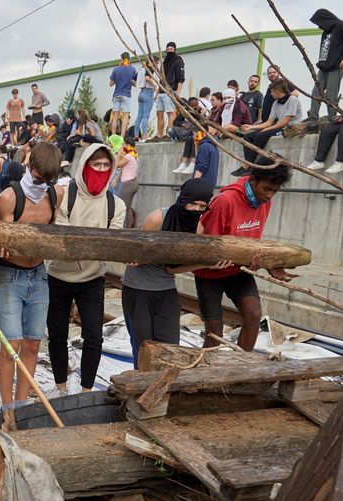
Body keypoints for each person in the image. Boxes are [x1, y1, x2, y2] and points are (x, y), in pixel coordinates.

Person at [0, 142, 64, 427]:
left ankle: (22, 407)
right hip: (11, 276)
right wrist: (0, 247)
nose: (42, 185)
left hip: (39, 275)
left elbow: (52, 232)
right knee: (12, 343)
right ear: (28, 167)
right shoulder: (9, 198)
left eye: (48, 180)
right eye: (38, 179)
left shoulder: (55, 196)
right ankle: (7, 409)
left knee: (33, 343)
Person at [47, 143, 126, 394]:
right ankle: (60, 386)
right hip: (58, 275)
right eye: (96, 164)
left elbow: (112, 245)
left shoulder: (116, 204)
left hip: (92, 279)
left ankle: (86, 390)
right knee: (57, 333)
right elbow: (62, 239)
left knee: (94, 336)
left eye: (106, 165)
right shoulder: (63, 194)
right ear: (84, 165)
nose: (101, 169)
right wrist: (90, 245)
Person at [196, 162, 295, 351]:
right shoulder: (224, 201)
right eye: (266, 189)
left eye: (274, 191)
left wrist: (266, 263)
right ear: (252, 180)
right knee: (214, 333)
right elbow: (210, 247)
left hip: (238, 271)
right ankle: (204, 374)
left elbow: (252, 241)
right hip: (210, 274)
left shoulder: (264, 202)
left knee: (253, 315)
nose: (269, 195)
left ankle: (241, 364)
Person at [122, 179, 220, 365]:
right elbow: (135, 250)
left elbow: (172, 268)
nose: (196, 209)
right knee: (143, 347)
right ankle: (141, 388)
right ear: (183, 199)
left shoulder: (197, 228)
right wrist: (139, 257)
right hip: (137, 289)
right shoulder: (158, 218)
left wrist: (204, 264)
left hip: (166, 290)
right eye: (192, 203)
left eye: (202, 205)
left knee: (170, 346)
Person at [235, 79, 303, 176]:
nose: (271, 94)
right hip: (278, 126)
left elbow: (284, 122)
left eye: (272, 91)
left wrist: (265, 130)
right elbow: (269, 122)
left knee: (260, 136)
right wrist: (251, 127)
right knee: (247, 137)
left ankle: (249, 166)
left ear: (277, 91)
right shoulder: (276, 103)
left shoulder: (293, 100)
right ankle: (249, 165)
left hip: (288, 128)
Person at [306, 9, 343, 123]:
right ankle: (313, 118)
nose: (319, 26)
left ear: (324, 19)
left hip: (336, 66)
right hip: (323, 67)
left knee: (331, 95)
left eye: (319, 23)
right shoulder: (326, 30)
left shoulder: (341, 25)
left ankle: (332, 119)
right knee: (316, 93)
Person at [109, 52, 138, 137]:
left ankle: (113, 136)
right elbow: (135, 83)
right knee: (125, 117)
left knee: (115, 117)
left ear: (121, 59)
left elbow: (111, 84)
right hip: (126, 95)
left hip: (117, 95)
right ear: (129, 59)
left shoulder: (116, 69)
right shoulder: (132, 69)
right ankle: (122, 137)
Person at [114, 137, 139, 227]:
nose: (122, 147)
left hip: (128, 184)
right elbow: (123, 169)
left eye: (123, 145)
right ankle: (127, 228)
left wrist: (118, 155)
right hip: (134, 183)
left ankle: (121, 227)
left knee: (122, 207)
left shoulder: (128, 156)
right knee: (127, 208)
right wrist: (116, 180)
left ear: (128, 145)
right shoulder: (134, 156)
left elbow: (117, 165)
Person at [163, 42, 186, 129]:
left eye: (171, 49)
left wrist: (178, 91)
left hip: (171, 90)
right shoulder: (165, 62)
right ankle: (160, 135)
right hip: (162, 90)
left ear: (175, 50)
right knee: (160, 113)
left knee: (171, 112)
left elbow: (181, 77)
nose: (169, 51)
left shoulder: (178, 61)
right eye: (167, 49)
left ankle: (169, 133)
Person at [135, 65, 155, 141]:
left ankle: (136, 135)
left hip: (141, 93)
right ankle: (145, 135)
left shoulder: (141, 70)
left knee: (139, 116)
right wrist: (155, 85)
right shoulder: (149, 69)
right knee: (146, 116)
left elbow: (134, 80)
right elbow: (147, 78)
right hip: (148, 92)